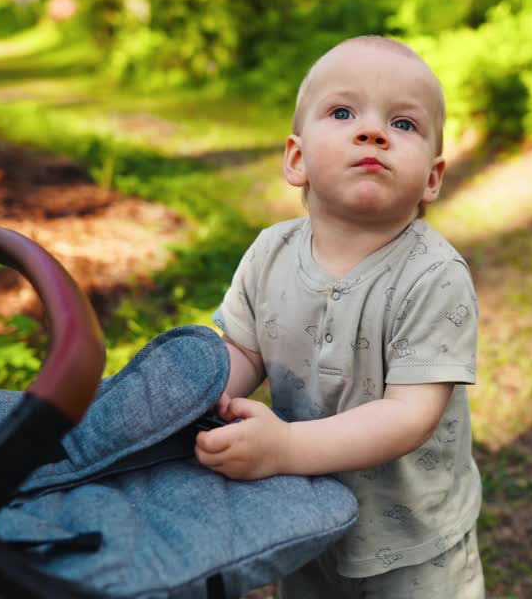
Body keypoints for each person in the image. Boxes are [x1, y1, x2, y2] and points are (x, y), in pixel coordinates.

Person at [195, 36, 484, 598]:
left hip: (413, 538)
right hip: (306, 520)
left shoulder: (434, 275)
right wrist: (196, 395)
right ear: (297, 158)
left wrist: (284, 450)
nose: (372, 131)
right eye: (343, 112)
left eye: (403, 124)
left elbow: (410, 415)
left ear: (432, 177)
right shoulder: (269, 253)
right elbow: (244, 350)